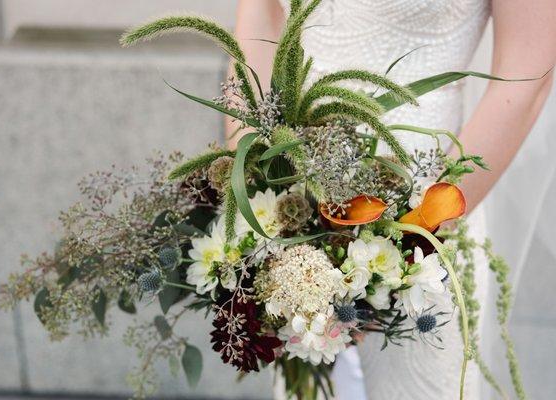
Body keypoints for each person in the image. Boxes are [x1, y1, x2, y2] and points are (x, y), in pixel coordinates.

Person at [227, 1, 556, 399]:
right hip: (295, 216)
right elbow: (258, 29)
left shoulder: (419, 236)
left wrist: (407, 239)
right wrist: (256, 198)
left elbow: (524, 76)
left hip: (428, 227)